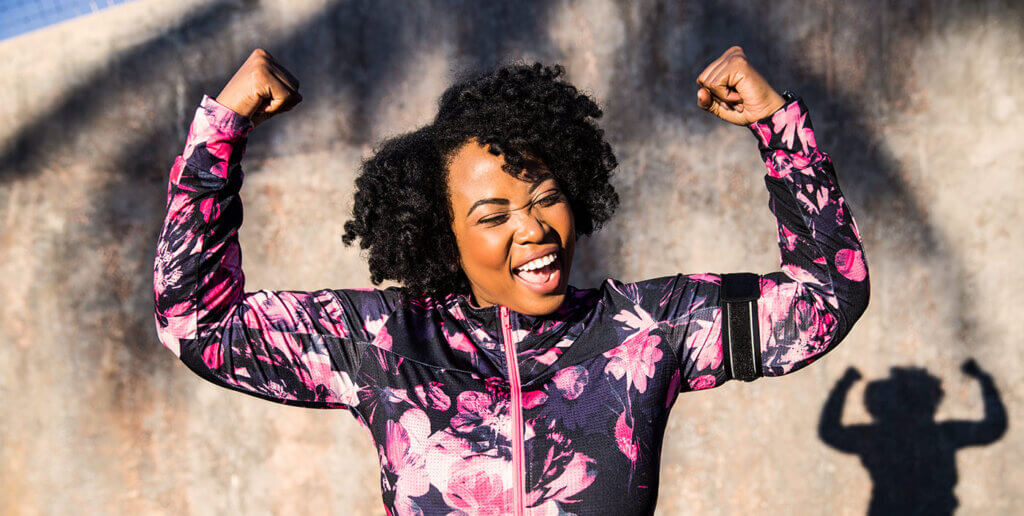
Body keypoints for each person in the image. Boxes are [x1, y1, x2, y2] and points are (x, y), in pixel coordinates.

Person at [153, 46, 870, 515]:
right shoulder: (379, 341)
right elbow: (195, 321)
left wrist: (780, 129)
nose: (532, 229)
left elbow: (824, 297)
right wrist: (221, 130)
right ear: (445, 233)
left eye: (545, 196)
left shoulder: (645, 331)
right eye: (494, 214)